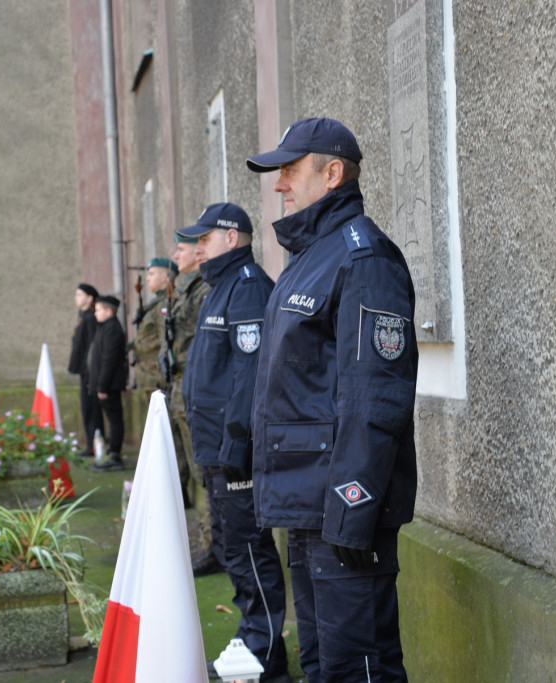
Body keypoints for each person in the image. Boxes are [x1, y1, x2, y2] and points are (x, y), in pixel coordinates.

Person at [246, 117, 419, 682]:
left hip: (342, 515)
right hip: (308, 510)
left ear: (333, 173)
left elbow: (376, 400)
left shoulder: (364, 259)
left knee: (358, 670)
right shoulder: (312, 259)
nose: (280, 184)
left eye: (291, 170)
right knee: (322, 665)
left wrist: (351, 512)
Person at [177, 203, 288, 682]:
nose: (198, 247)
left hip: (234, 457)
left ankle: (265, 659)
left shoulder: (246, 290)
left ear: (231, 237)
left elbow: (248, 379)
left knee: (249, 554)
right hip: (215, 453)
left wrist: (234, 453)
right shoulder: (219, 288)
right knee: (233, 552)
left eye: (204, 238)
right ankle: (251, 643)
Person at [169, 231, 220, 576]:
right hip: (179, 388)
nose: (176, 255)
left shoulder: (204, 288)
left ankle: (213, 544)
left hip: (195, 389)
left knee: (203, 474)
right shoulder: (187, 286)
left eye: (181, 249)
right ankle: (205, 538)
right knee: (191, 470)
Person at [87, 294, 128, 472]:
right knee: (112, 419)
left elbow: (109, 360)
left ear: (108, 311)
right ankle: (111, 453)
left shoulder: (112, 329)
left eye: (98, 310)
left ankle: (115, 456)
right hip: (103, 384)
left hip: (109, 385)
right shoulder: (105, 327)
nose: (95, 313)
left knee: (115, 420)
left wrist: (102, 386)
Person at [131, 258, 178, 392]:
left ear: (164, 277)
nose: (147, 279)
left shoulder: (166, 303)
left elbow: (166, 341)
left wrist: (163, 380)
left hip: (157, 377)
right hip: (149, 375)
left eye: (151, 274)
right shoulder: (157, 303)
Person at [67, 283, 103, 458]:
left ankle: (94, 445)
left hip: (90, 372)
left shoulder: (89, 318)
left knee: (91, 409)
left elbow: (91, 347)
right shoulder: (83, 316)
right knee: (87, 408)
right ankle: (92, 443)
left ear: (90, 298)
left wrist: (90, 372)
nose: (76, 298)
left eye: (80, 295)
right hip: (85, 371)